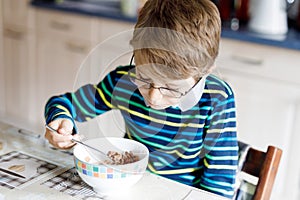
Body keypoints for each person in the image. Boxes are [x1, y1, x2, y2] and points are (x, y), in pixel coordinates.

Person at [44, 0, 238, 198]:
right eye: (144, 78)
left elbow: (219, 185)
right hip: (131, 189)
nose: (153, 97)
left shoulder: (216, 99)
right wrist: (62, 122)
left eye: (171, 87)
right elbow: (64, 104)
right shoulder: (124, 83)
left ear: (203, 74)